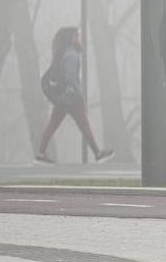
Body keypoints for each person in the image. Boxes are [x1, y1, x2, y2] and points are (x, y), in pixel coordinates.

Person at [36, 27, 113, 164]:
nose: (80, 39)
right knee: (84, 125)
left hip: (64, 98)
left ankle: (41, 154)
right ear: (72, 38)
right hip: (72, 97)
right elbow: (70, 77)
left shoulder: (64, 53)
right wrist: (79, 93)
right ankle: (98, 154)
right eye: (78, 36)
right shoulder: (72, 55)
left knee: (54, 125)